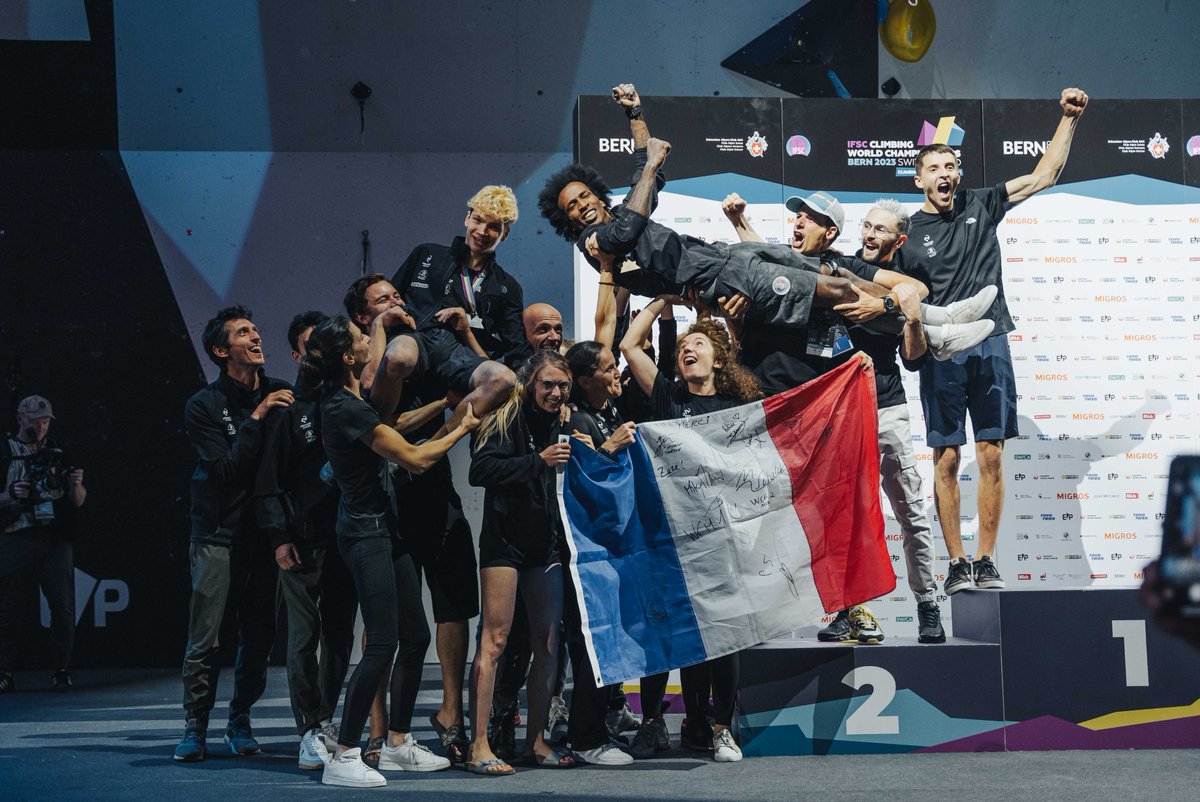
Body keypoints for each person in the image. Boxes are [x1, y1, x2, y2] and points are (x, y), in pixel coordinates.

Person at [539, 83, 989, 348]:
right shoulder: (595, 243)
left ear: (596, 193)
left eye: (583, 196)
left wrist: (635, 113)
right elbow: (629, 224)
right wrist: (653, 162)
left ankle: (938, 318)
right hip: (724, 283)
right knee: (833, 290)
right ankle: (936, 340)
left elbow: (645, 173)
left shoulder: (623, 209)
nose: (581, 206)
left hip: (731, 257)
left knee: (836, 275)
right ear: (571, 222)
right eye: (572, 208)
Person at [722, 194, 951, 643]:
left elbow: (914, 306)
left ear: (897, 239)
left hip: (883, 406)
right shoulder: (830, 268)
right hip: (838, 411)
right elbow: (768, 255)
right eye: (866, 225)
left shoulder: (865, 274)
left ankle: (928, 603)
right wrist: (739, 221)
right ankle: (848, 609)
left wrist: (884, 309)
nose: (870, 234)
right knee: (840, 513)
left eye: (880, 229)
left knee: (908, 509)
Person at [909, 88, 1089, 594]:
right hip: (941, 352)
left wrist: (1068, 119)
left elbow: (1043, 175)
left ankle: (986, 559)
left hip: (989, 342)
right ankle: (956, 562)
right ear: (920, 178)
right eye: (935, 167)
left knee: (990, 453)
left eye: (952, 166)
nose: (946, 174)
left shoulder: (981, 204)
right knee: (946, 459)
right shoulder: (906, 232)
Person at [297, 315, 479, 788]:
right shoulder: (343, 407)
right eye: (361, 341)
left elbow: (381, 390)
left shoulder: (352, 396)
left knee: (415, 636)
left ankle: (398, 743)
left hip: (385, 527)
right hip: (365, 533)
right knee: (382, 643)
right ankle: (345, 754)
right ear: (346, 358)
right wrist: (460, 426)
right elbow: (416, 459)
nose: (370, 346)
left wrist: (380, 323)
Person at [620, 301, 777, 763]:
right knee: (669, 632)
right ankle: (653, 724)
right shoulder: (669, 397)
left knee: (722, 635)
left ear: (719, 358)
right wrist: (662, 302)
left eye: (698, 344)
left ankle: (719, 728)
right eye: (683, 346)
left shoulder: (740, 406)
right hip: (667, 536)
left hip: (722, 538)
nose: (687, 349)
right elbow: (630, 344)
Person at [175, 306, 294, 762]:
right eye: (244, 333)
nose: (256, 336)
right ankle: (195, 724)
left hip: (264, 536)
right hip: (216, 533)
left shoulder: (283, 392)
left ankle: (239, 717)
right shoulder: (203, 405)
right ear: (223, 351)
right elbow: (224, 471)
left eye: (256, 330)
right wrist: (258, 416)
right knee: (206, 637)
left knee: (260, 635)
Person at [466, 350, 581, 775]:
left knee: (549, 645)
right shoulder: (505, 416)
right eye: (547, 384)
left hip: (544, 546)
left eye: (562, 385)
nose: (555, 392)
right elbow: (481, 470)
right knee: (494, 642)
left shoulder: (564, 420)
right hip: (504, 544)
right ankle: (479, 745)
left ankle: (536, 742)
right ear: (530, 383)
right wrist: (538, 461)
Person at [254, 311, 358, 769]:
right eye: (309, 344)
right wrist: (279, 538)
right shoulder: (287, 410)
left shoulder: (350, 403)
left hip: (348, 540)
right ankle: (308, 730)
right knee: (302, 637)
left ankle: (325, 719)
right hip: (300, 542)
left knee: (338, 637)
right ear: (298, 355)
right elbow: (269, 483)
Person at [0, 395, 86, 693]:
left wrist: (75, 484)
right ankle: (5, 671)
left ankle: (61, 669)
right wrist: (10, 495)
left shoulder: (59, 453)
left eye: (45, 420)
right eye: (35, 419)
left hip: (54, 537)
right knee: (10, 608)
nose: (40, 426)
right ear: (21, 418)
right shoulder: (5, 452)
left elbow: (78, 500)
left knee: (62, 607)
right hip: (16, 534)